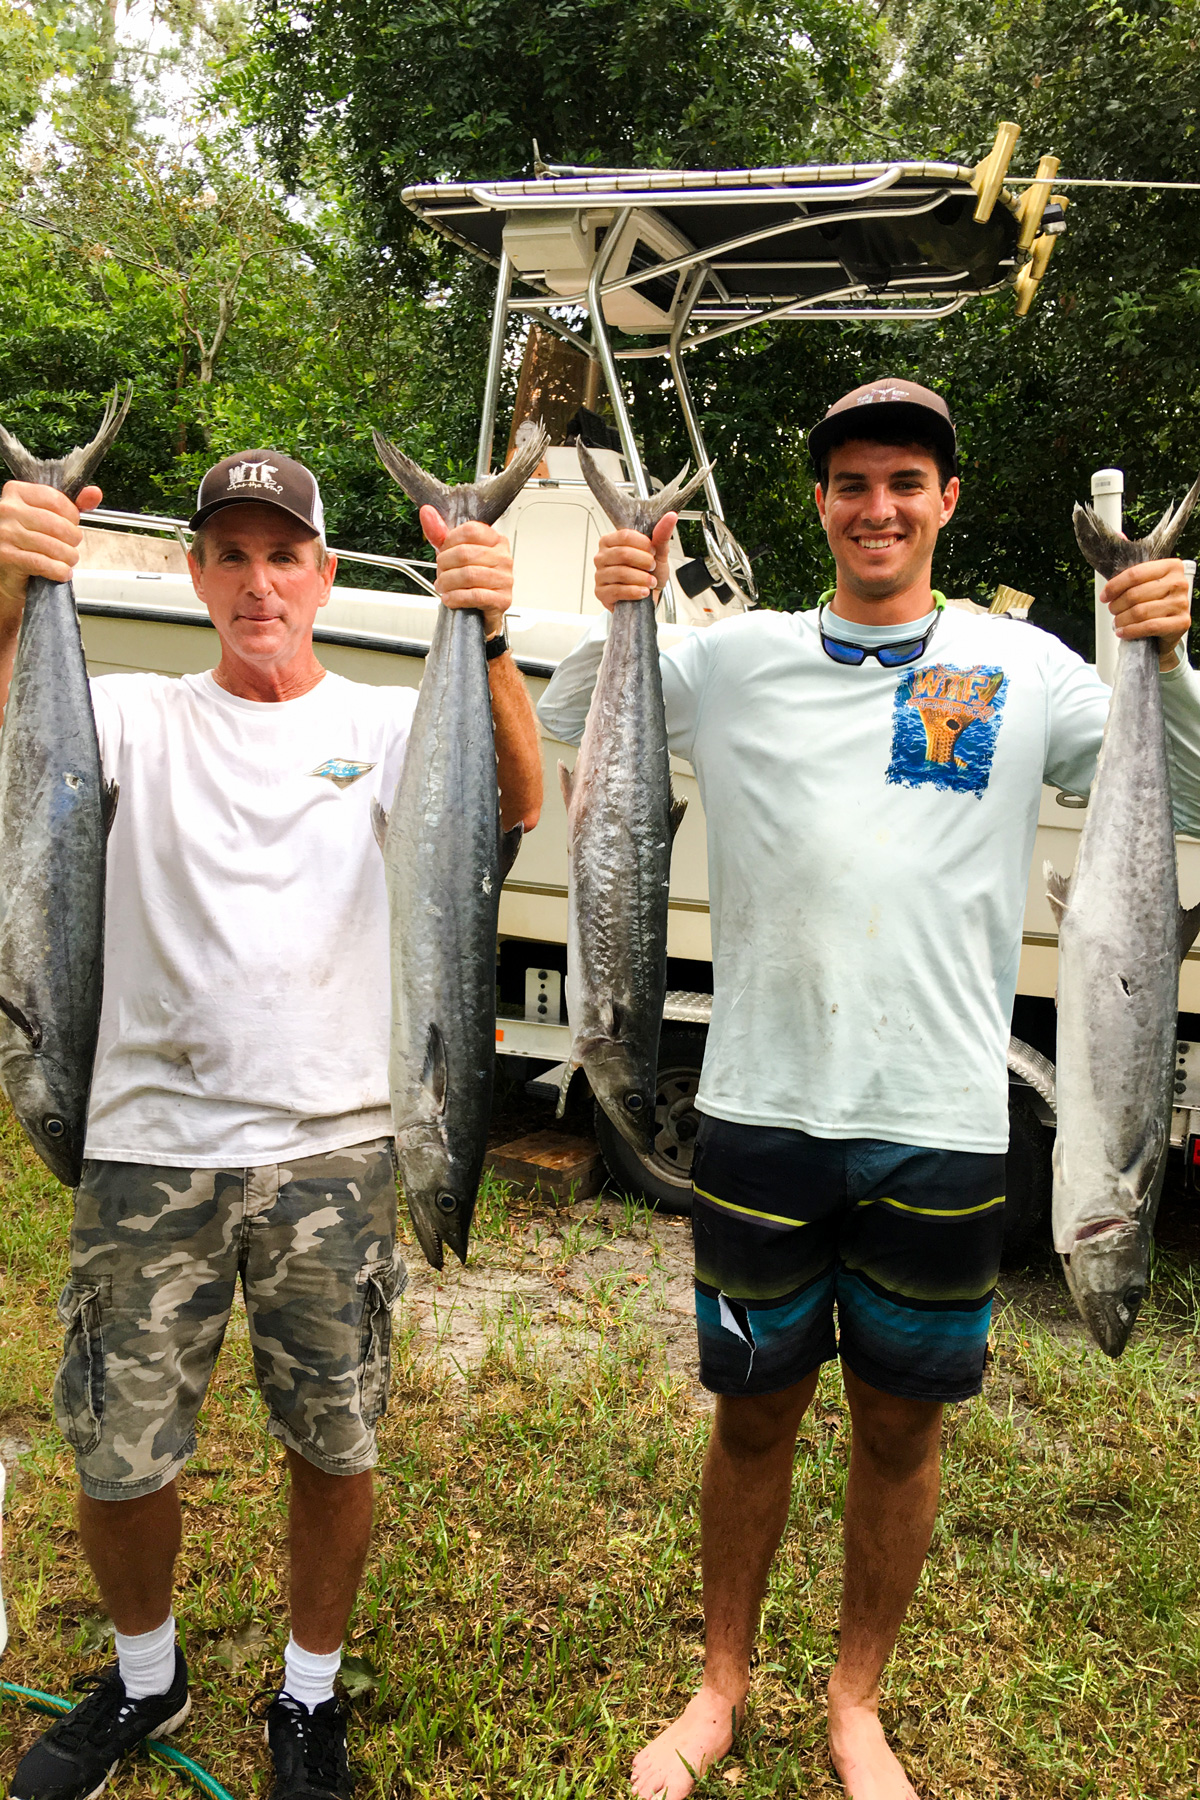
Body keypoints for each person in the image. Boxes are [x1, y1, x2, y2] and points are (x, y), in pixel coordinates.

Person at [536, 378, 1200, 1800]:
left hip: (945, 1118)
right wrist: (621, 599)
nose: (879, 506)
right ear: (822, 505)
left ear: (947, 502)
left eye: (907, 481)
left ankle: (854, 1705)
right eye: (853, 483)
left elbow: (1189, 790)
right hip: (761, 1111)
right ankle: (720, 1686)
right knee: (752, 1410)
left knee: (903, 1426)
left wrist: (1167, 656)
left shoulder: (1026, 668)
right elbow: (569, 719)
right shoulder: (737, 658)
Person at [0, 446, 541, 1800]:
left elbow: (519, 810)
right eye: (229, 555)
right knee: (118, 1455)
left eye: (282, 554)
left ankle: (308, 1698)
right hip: (144, 1145)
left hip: (337, 1151)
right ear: (192, 574)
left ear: (326, 575)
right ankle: (143, 1676)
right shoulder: (124, 712)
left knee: (333, 1440)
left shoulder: (394, 718)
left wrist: (489, 626)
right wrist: (13, 591)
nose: (256, 582)